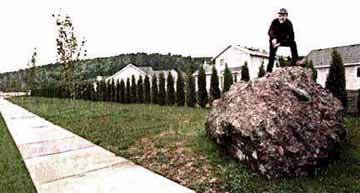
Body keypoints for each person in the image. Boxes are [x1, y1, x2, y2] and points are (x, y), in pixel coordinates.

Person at [267, 8, 299, 72]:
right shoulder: (274, 22)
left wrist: (280, 43)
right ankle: (269, 69)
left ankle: (295, 62)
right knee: (272, 53)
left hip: (284, 40)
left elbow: (292, 38)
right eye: (280, 16)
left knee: (293, 43)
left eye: (283, 16)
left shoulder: (289, 24)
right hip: (275, 40)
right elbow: (270, 31)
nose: (281, 18)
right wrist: (273, 38)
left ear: (286, 16)